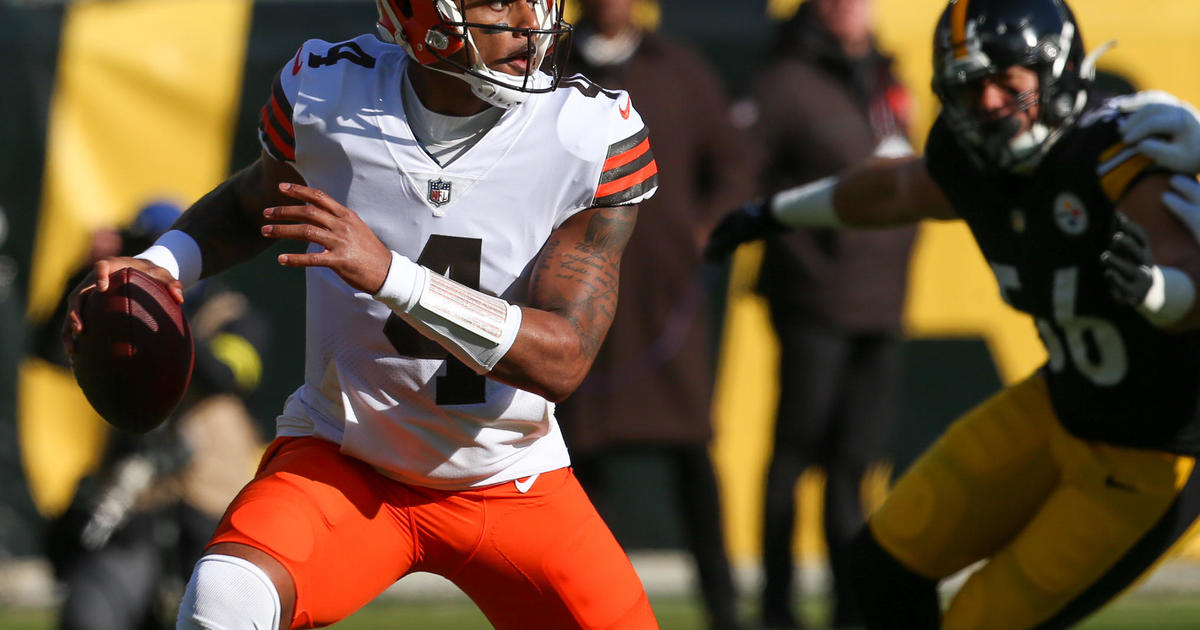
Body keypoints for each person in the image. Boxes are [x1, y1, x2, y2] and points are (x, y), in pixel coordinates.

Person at [63, 1, 661, 628]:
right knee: (224, 599)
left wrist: (392, 276)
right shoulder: (327, 94)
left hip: (509, 476)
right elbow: (254, 206)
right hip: (347, 462)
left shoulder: (584, 133)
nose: (528, 19)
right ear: (421, 13)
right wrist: (163, 262)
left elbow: (563, 357)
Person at [705, 0, 1200, 628]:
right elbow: (892, 190)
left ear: (1057, 70)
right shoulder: (974, 160)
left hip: (1156, 454)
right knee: (882, 565)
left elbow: (1189, 274)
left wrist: (1165, 295)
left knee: (979, 620)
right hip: (1064, 403)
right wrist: (772, 214)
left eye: (1006, 81)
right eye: (970, 88)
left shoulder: (1121, 155)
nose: (989, 103)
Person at [554, 1, 752, 628]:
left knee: (692, 456)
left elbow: (735, 165)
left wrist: (705, 230)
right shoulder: (554, 65)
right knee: (583, 464)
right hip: (578, 291)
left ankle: (724, 611)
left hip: (666, 298)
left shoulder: (682, 70)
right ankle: (592, 609)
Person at [739, 1, 915, 627]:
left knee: (855, 469)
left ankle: (850, 607)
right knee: (795, 456)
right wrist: (802, 256)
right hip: (813, 301)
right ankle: (778, 608)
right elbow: (747, 188)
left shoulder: (887, 76)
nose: (849, 5)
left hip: (883, 303)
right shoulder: (786, 80)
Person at [41, 202, 268, 630]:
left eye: (154, 252)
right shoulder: (115, 317)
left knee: (220, 611)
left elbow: (227, 378)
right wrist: (87, 280)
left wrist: (163, 319)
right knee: (93, 612)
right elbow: (49, 352)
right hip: (135, 491)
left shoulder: (237, 317)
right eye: (138, 251)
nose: (143, 266)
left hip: (212, 493)